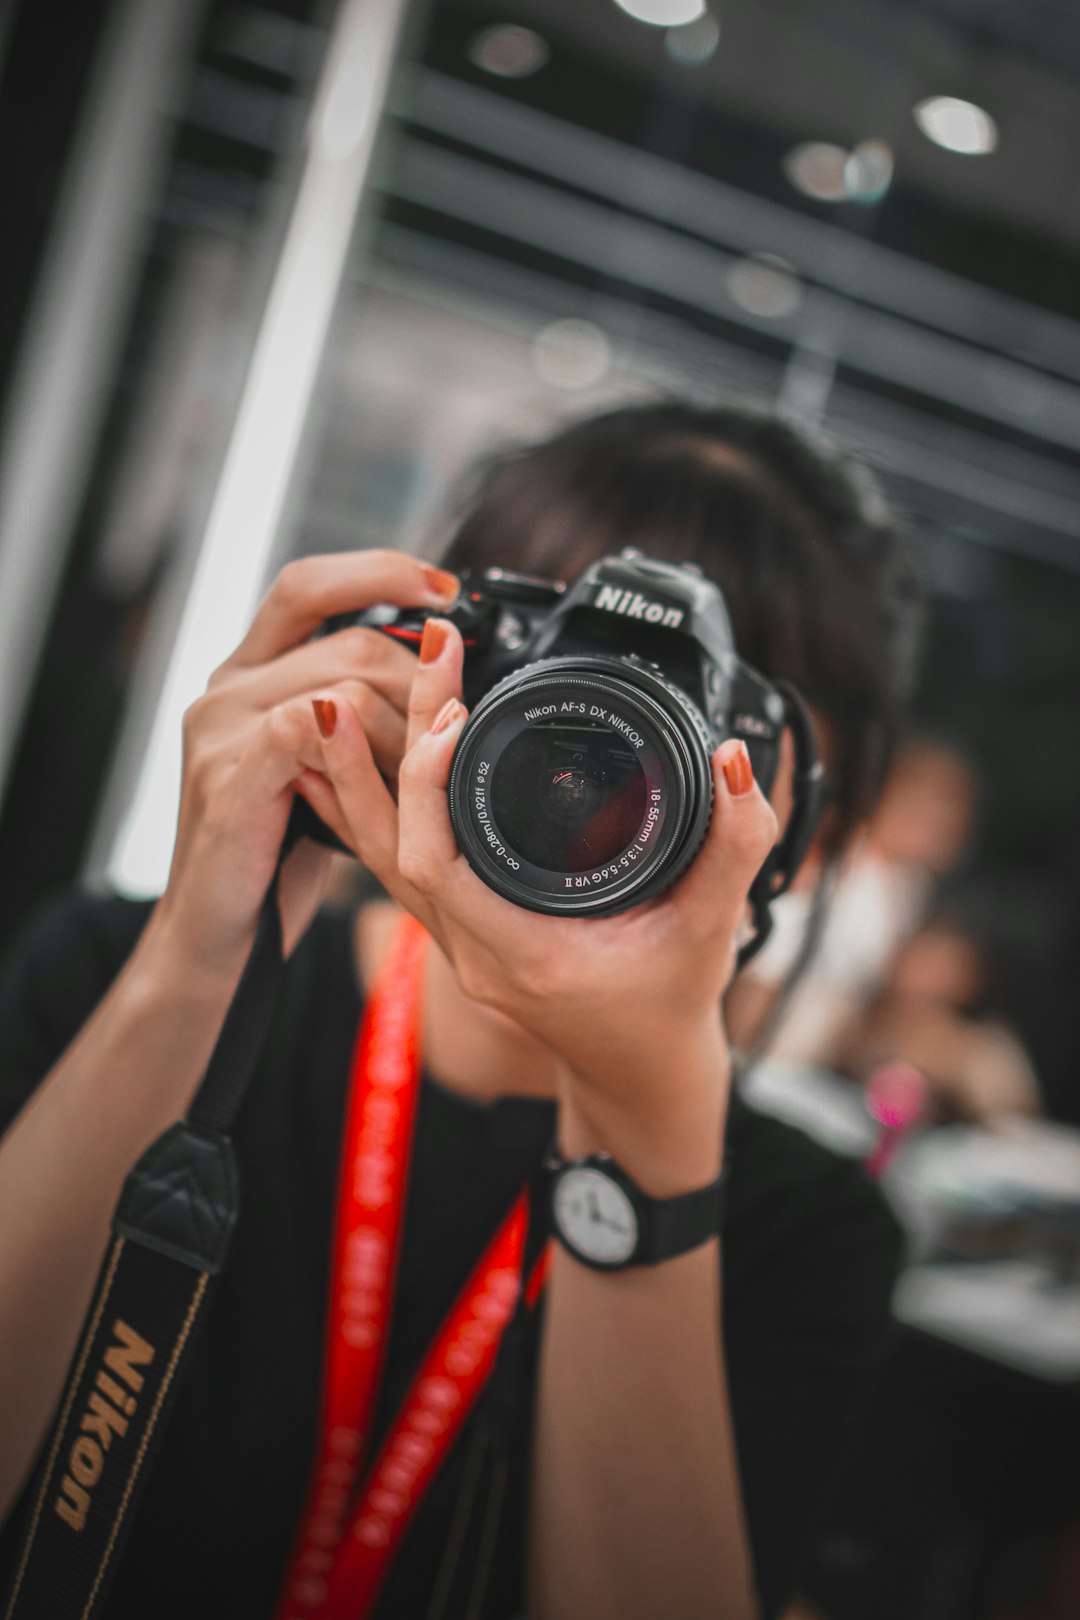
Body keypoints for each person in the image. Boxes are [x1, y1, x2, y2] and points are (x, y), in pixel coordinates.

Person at [0, 400, 921, 1620]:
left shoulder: (806, 1226)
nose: (591, 760)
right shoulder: (121, 967)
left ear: (815, 830)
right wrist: (197, 964)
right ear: (437, 650)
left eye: (698, 715)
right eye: (545, 657)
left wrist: (651, 1125)